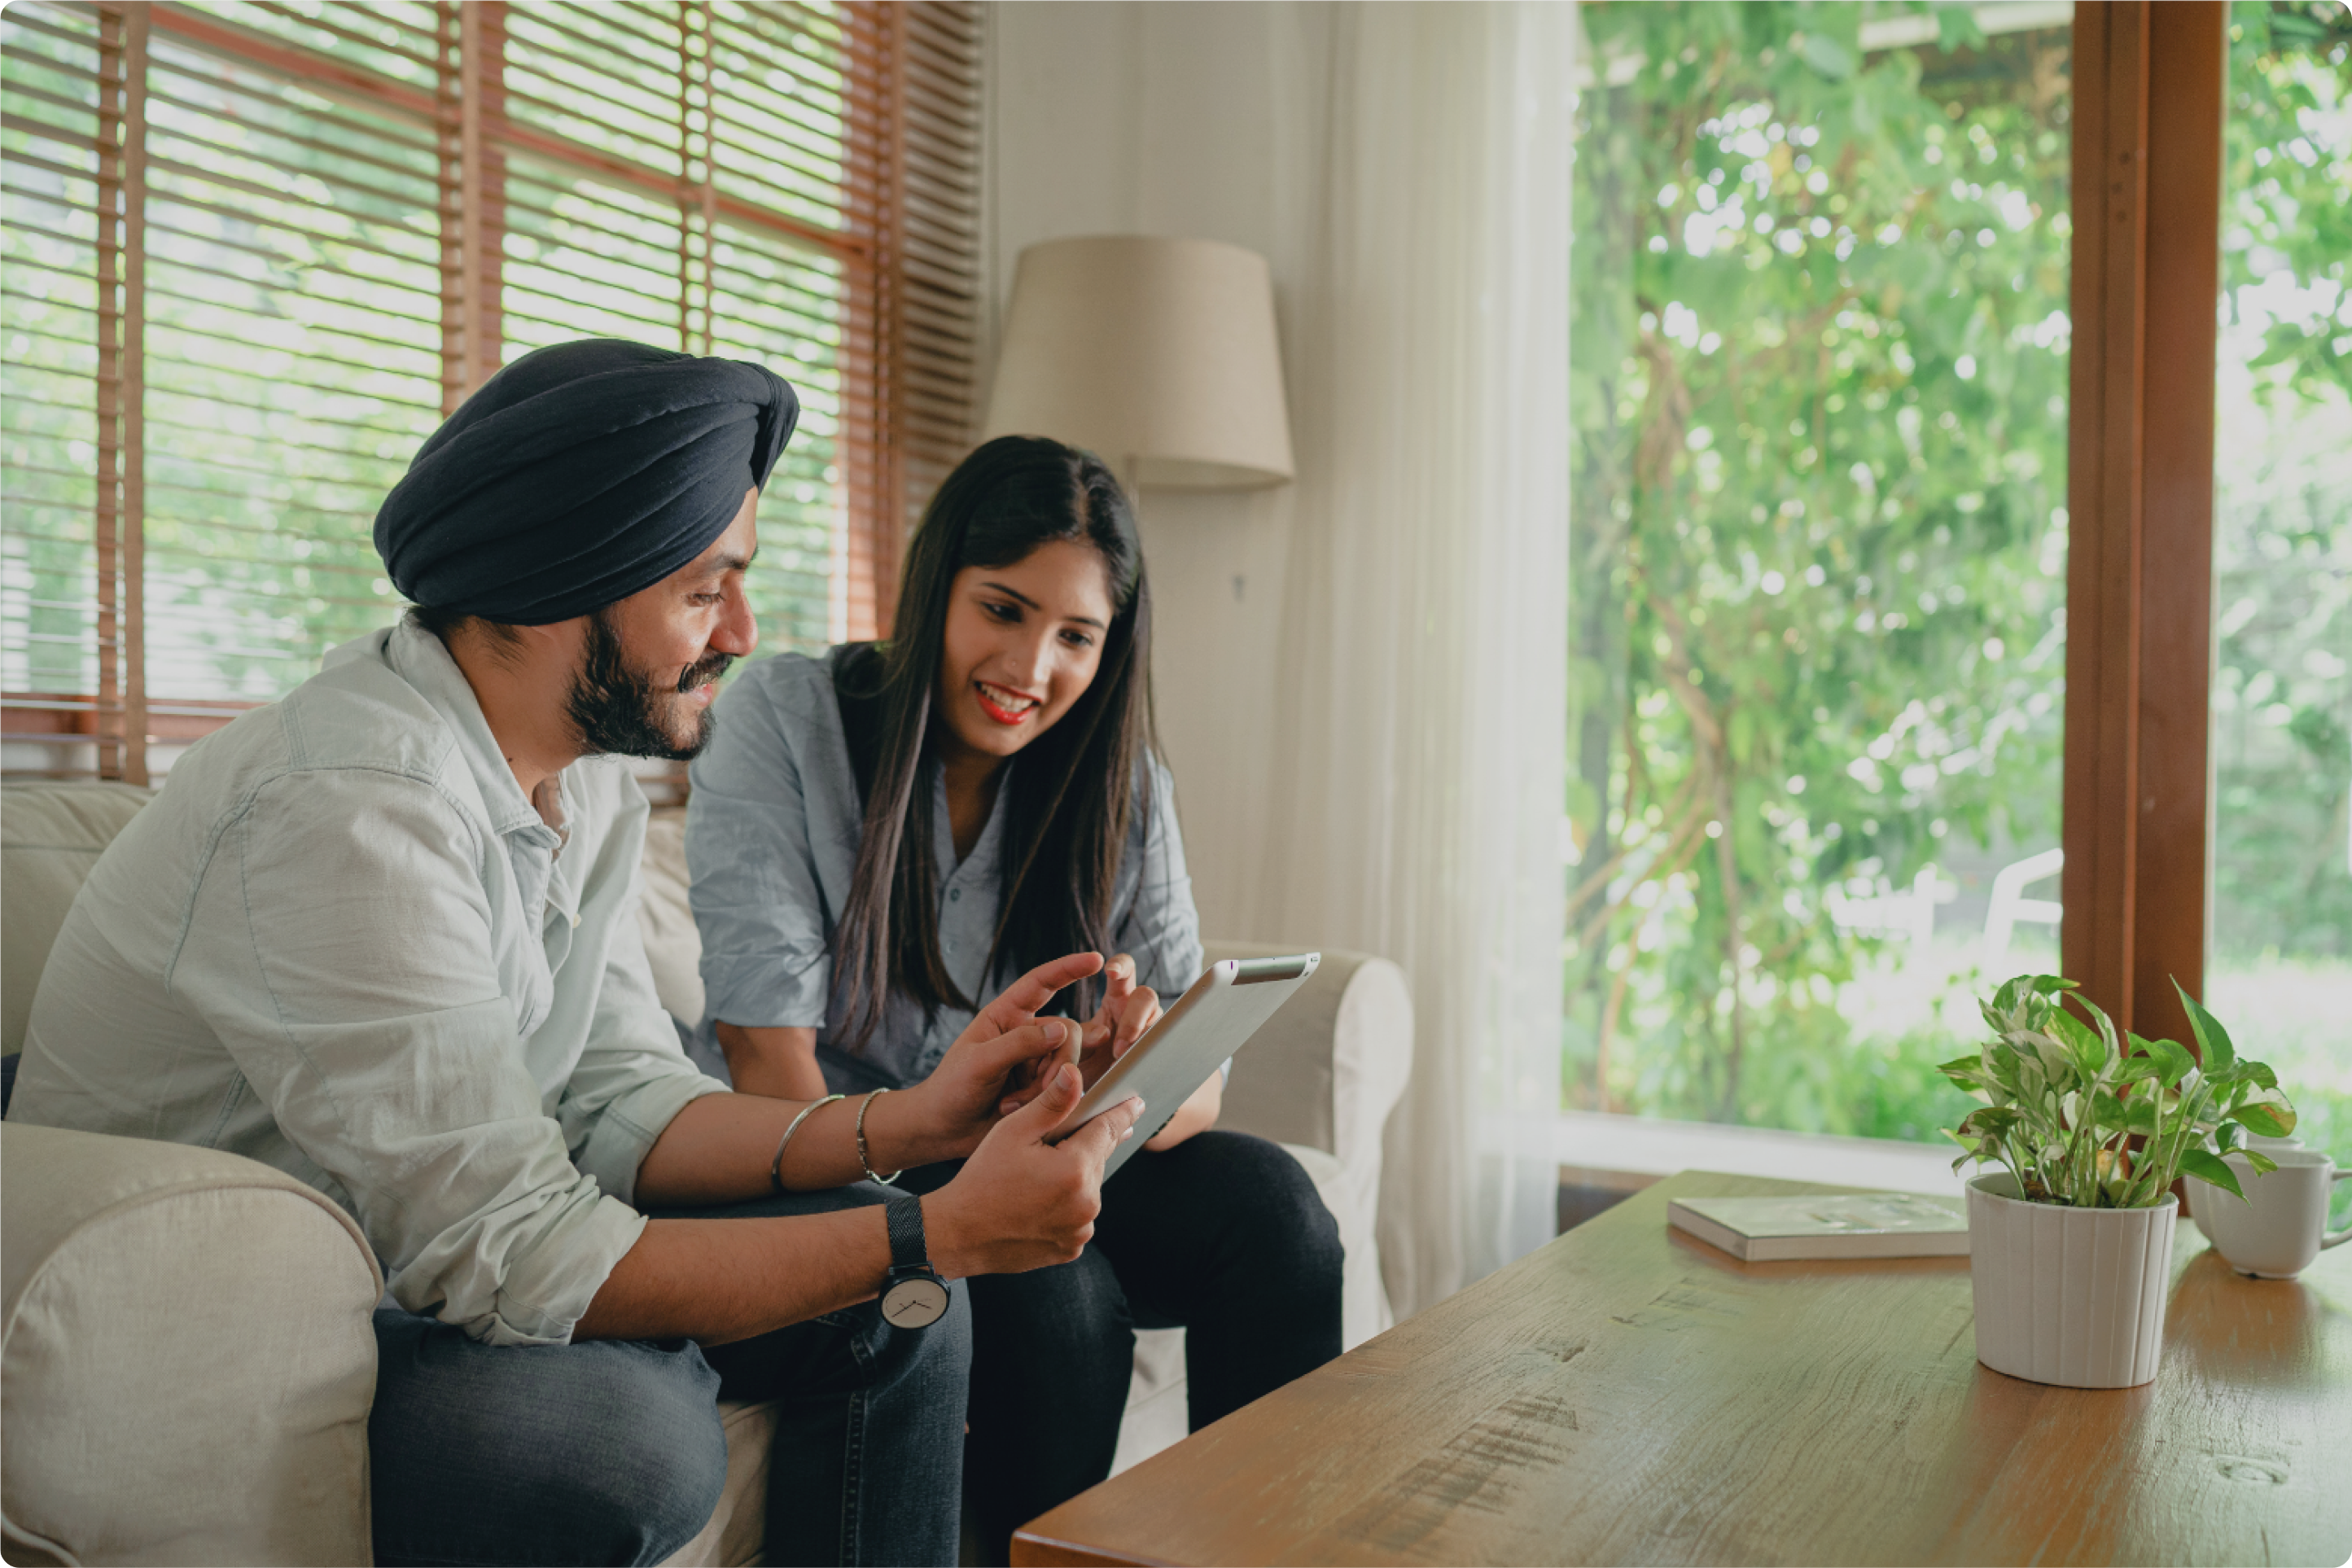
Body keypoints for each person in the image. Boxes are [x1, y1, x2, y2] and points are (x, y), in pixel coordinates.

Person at [4, 340, 1148, 1568]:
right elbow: (513, 1246)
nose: (745, 632)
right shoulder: (352, 807)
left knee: (896, 1309)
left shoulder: (578, 782)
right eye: (707, 590)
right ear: (564, 582)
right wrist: (934, 1234)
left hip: (423, 1261)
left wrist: (913, 1126)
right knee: (627, 1440)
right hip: (235, 1337)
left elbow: (618, 1099)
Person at [684, 434, 1345, 1561]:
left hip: (1042, 1147)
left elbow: (1203, 1091)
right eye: (1004, 609)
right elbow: (768, 1065)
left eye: (1077, 636)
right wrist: (967, 1185)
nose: (1033, 667)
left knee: (1280, 1214)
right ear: (937, 581)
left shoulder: (1120, 781)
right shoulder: (787, 720)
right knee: (1059, 1292)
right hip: (844, 1158)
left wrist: (1122, 1077)